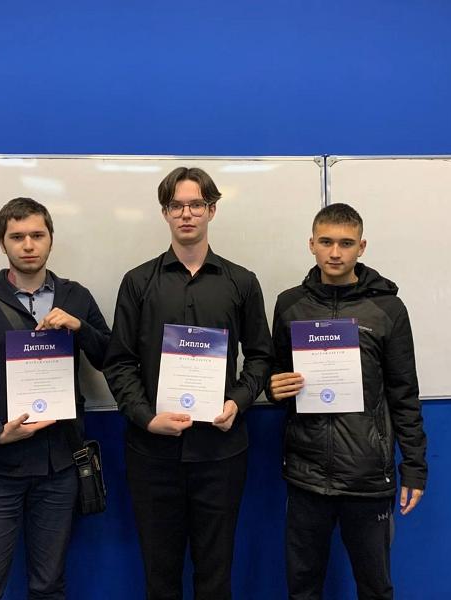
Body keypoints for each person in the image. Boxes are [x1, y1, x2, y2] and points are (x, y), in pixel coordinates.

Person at [103, 167, 273, 600]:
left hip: (221, 453)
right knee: (160, 577)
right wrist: (146, 418)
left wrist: (238, 402)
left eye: (196, 204)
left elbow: (261, 357)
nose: (186, 214)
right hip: (152, 454)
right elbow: (118, 362)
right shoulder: (137, 282)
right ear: (164, 213)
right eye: (176, 206)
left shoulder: (242, 282)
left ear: (212, 210)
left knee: (215, 575)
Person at [0, 197, 110, 600]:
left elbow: (110, 358)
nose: (28, 245)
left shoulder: (77, 296)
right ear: (2, 243)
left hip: (60, 467)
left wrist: (80, 327)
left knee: (49, 586)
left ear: (51, 239)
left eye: (37, 235)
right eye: (17, 237)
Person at [269, 203, 428, 600]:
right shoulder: (289, 305)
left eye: (346, 243)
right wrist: (273, 389)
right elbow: (276, 375)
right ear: (311, 244)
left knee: (375, 587)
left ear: (362, 247)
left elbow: (404, 393)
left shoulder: (388, 309)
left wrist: (414, 467)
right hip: (306, 474)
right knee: (303, 588)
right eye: (326, 242)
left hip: (367, 476)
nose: (335, 252)